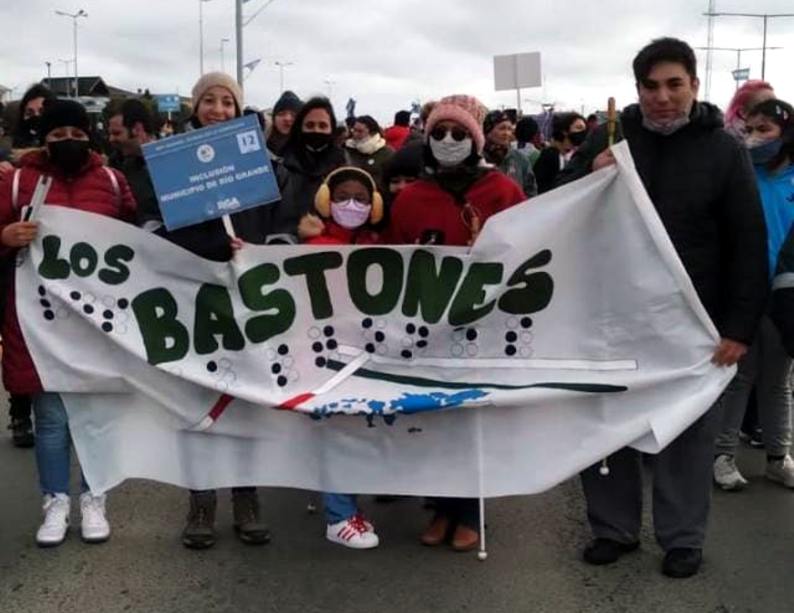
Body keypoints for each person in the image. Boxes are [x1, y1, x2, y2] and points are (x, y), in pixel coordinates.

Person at [558, 37, 768, 579]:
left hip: (694, 324)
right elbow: (557, 206)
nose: (662, 97)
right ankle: (613, 529)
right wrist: (590, 172)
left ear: (695, 86)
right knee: (609, 427)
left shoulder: (724, 150)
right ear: (637, 90)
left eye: (675, 84)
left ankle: (681, 538)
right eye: (651, 86)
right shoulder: (613, 138)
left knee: (687, 433)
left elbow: (748, 241)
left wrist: (739, 326)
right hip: (614, 319)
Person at [387, 95, 526, 551]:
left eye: (460, 133)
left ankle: (470, 511)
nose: (449, 141)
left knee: (473, 419)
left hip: (485, 324)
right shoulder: (411, 198)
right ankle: (441, 506)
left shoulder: (502, 191)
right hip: (428, 327)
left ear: (476, 140)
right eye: (441, 133)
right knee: (434, 418)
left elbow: (528, 247)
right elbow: (393, 260)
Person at [0, 99, 137, 546]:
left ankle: (95, 497)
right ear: (44, 138)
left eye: (76, 134)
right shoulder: (18, 181)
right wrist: (4, 237)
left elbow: (139, 240)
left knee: (97, 418)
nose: (68, 142)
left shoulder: (114, 183)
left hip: (97, 323)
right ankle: (55, 501)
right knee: (53, 419)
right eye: (58, 136)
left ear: (90, 134)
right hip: (41, 324)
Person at [157, 72, 276, 549]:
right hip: (192, 297)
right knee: (198, 403)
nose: (219, 110)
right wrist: (205, 243)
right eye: (210, 100)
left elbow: (278, 221)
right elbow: (150, 226)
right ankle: (201, 502)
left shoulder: (259, 162)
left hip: (245, 297)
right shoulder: (167, 164)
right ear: (195, 106)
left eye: (228, 102)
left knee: (244, 400)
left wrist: (258, 248)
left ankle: (246, 500)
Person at [300, 167, 386, 550]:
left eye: (362, 198)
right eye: (343, 197)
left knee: (357, 434)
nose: (352, 204)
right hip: (326, 358)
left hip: (368, 355)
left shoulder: (380, 246)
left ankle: (345, 508)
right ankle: (337, 516)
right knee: (338, 434)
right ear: (326, 201)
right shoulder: (311, 248)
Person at [714, 99, 794, 490]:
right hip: (743, 293)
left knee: (778, 381)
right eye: (750, 129)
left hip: (785, 296)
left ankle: (779, 457)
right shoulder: (738, 175)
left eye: (765, 130)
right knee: (739, 377)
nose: (755, 138)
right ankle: (722, 456)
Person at [274, 96, 346, 236]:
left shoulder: (344, 166)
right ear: (299, 127)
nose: (316, 131)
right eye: (310, 125)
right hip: (283, 249)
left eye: (323, 126)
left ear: (332, 129)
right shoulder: (279, 165)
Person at [107, 99, 159, 224]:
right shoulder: (114, 164)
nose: (111, 139)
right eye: (110, 134)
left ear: (137, 129)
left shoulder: (169, 162)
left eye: (117, 133)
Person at [482, 110, 537, 198]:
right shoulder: (477, 158)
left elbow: (530, 190)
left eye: (509, 129)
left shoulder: (520, 159)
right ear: (488, 130)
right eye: (502, 128)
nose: (507, 133)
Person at [533, 112, 587, 193]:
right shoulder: (549, 156)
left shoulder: (578, 156)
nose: (583, 133)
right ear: (565, 131)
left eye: (584, 129)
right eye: (579, 128)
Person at [344, 115, 394, 189]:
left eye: (360, 131)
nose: (355, 134)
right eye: (354, 130)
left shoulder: (387, 153)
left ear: (372, 133)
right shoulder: (347, 149)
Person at [267, 90, 302, 160]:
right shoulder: (261, 143)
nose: (287, 118)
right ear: (274, 119)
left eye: (293, 115)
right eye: (281, 114)